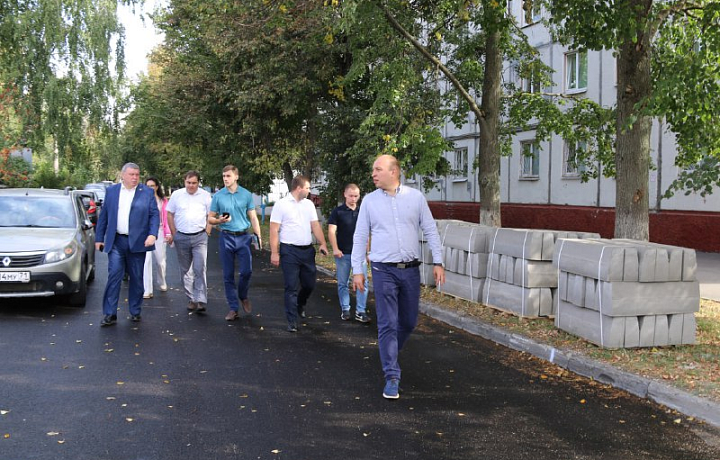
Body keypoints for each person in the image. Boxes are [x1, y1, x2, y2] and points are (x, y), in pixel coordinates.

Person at [351, 155, 445, 400]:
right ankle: (392, 375)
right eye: (373, 169)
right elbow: (360, 236)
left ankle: (388, 351)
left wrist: (438, 261)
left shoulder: (415, 198)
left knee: (408, 321)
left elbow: (431, 229)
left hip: (410, 270)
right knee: (387, 324)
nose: (373, 173)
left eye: (378, 169)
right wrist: (358, 269)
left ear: (394, 172)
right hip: (383, 270)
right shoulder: (369, 202)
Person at [95, 163, 160, 326]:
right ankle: (110, 313)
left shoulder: (146, 192)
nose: (135, 177)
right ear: (122, 175)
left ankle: (135, 310)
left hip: (138, 241)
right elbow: (104, 216)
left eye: (137, 175)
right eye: (131, 174)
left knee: (137, 278)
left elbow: (154, 215)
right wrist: (99, 238)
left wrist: (153, 234)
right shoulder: (112, 191)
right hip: (117, 241)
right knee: (114, 276)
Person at [269, 175, 329, 332]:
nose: (309, 191)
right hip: (289, 251)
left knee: (309, 284)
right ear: (299, 188)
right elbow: (274, 230)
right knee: (291, 287)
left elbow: (315, 225)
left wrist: (322, 243)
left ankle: (300, 303)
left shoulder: (308, 205)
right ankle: (292, 321)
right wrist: (274, 252)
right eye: (308, 188)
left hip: (307, 250)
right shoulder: (281, 205)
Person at [208, 165, 262, 321]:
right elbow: (210, 218)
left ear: (236, 177)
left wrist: (258, 235)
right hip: (226, 237)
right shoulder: (218, 196)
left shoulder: (245, 194)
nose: (225, 179)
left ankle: (243, 295)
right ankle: (233, 308)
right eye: (224, 176)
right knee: (228, 274)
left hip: (243, 237)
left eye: (228, 176)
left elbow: (252, 217)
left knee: (247, 271)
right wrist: (219, 220)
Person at [166, 171, 213, 313]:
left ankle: (201, 299)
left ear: (198, 183)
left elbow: (210, 214)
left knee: (200, 268)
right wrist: (174, 233)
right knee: (186, 270)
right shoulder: (177, 195)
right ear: (184, 182)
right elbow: (170, 213)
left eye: (194, 183)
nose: (191, 186)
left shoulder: (205, 196)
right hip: (182, 237)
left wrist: (208, 230)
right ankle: (192, 298)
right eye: (188, 183)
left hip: (200, 237)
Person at [328, 183, 369, 322]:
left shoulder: (362, 212)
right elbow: (332, 231)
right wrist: (335, 248)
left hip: (360, 255)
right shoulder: (337, 212)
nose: (353, 198)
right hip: (343, 254)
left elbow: (367, 234)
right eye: (351, 195)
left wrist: (368, 252)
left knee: (363, 283)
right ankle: (345, 309)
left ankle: (361, 311)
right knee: (343, 283)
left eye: (356, 196)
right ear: (345, 194)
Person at [142, 177, 171, 299]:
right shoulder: (142, 200)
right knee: (146, 261)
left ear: (157, 187)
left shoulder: (163, 201)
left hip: (159, 232)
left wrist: (168, 233)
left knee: (160, 261)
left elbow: (167, 218)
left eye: (152, 186)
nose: (150, 188)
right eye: (147, 186)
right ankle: (147, 290)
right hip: (146, 233)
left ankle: (162, 281)